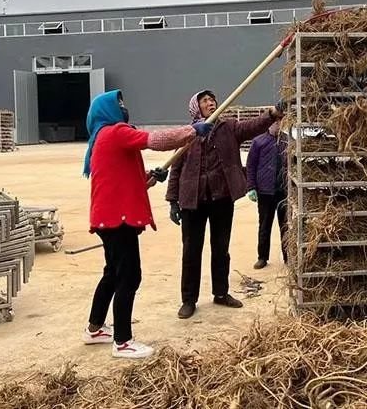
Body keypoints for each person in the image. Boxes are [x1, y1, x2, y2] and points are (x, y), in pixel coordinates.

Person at [81, 89, 203, 359]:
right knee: (129, 276)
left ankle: (94, 329)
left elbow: (121, 183)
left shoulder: (103, 137)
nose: (124, 108)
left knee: (112, 273)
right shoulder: (115, 132)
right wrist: (193, 131)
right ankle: (122, 341)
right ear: (107, 111)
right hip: (117, 221)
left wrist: (150, 178)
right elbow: (155, 140)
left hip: (108, 218)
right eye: (119, 104)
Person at [166, 90, 284, 319]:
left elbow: (253, 126)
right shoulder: (188, 134)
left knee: (221, 248)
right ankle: (188, 299)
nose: (211, 103)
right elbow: (176, 168)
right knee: (191, 251)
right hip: (193, 200)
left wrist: (273, 113)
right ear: (195, 107)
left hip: (221, 198)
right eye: (205, 101)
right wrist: (172, 200)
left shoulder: (228, 128)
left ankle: (221, 293)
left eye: (213, 100)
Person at [246, 120, 288, 269]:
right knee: (264, 225)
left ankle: (288, 257)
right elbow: (250, 165)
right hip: (265, 191)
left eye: (280, 122)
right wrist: (251, 187)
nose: (277, 125)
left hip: (283, 191)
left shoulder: (288, 141)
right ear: (269, 124)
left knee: (286, 225)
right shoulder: (258, 142)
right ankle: (262, 257)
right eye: (275, 122)